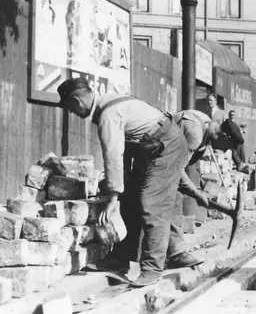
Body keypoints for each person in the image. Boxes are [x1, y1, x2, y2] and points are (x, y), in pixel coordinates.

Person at [57, 78, 201, 287]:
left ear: (76, 101)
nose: (72, 112)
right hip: (152, 149)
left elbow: (113, 155)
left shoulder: (108, 115)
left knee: (152, 205)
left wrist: (112, 198)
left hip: (165, 148)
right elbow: (123, 152)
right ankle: (121, 258)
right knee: (131, 196)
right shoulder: (108, 104)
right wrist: (119, 189)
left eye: (70, 108)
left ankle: (152, 268)